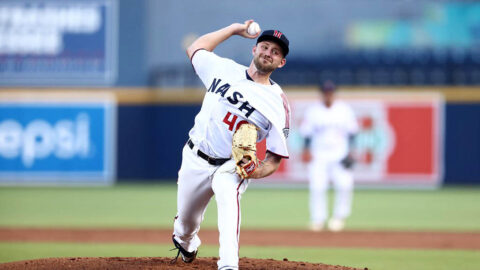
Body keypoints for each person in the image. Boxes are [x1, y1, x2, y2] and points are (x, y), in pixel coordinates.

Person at [171, 20, 291, 270]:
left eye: (276, 52)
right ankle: (187, 241)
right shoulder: (223, 68)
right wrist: (234, 30)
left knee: (228, 199)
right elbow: (195, 48)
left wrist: (254, 171)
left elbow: (274, 158)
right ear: (254, 49)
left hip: (230, 166)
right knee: (185, 226)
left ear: (281, 62)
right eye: (265, 47)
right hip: (195, 157)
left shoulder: (277, 102)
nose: (268, 53)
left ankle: (228, 265)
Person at [300, 80, 358, 232]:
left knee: (344, 185)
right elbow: (306, 133)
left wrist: (352, 151)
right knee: (317, 187)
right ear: (322, 94)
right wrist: (305, 150)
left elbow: (352, 132)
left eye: (330, 92)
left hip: (340, 153)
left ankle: (339, 217)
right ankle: (318, 219)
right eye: (326, 92)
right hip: (319, 154)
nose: (328, 95)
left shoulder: (344, 110)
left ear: (334, 93)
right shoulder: (313, 110)